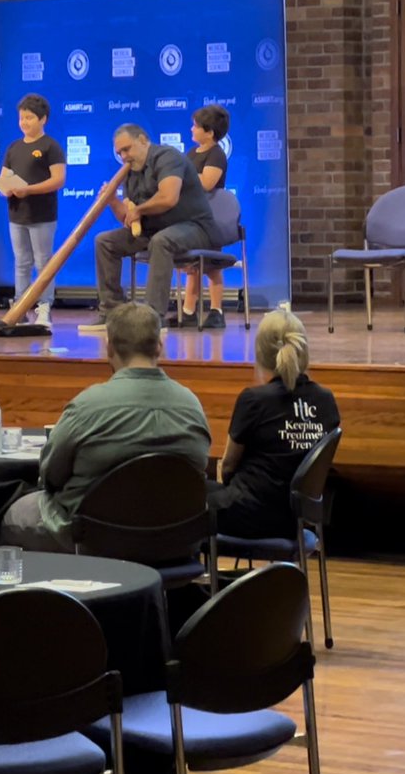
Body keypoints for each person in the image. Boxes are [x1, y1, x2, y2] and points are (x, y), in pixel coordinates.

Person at [1, 302, 211, 551]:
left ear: (109, 348)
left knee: (16, 514)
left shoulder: (87, 407)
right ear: (159, 346)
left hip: (93, 539)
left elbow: (51, 475)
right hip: (175, 538)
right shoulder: (193, 407)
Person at [208, 308, 340, 538]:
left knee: (185, 496)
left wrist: (226, 482)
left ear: (260, 353)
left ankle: (187, 572)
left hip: (250, 515)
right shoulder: (326, 400)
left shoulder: (254, 400)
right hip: (299, 519)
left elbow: (228, 466)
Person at [83, 124, 220, 331]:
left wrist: (139, 210)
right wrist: (112, 200)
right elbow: (129, 219)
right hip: (154, 229)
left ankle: (152, 317)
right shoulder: (131, 170)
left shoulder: (167, 157)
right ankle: (111, 312)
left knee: (161, 240)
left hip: (194, 226)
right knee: (105, 241)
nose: (124, 156)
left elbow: (168, 198)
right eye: (119, 152)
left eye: (127, 149)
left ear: (143, 141)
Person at [1, 93, 66, 330]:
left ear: (43, 119)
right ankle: (20, 306)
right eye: (21, 118)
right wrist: (6, 189)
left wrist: (29, 190)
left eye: (29, 118)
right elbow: (4, 176)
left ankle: (44, 307)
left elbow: (58, 180)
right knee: (21, 262)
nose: (24, 122)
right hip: (16, 214)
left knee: (43, 261)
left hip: (42, 215)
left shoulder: (51, 146)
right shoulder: (14, 147)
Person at [169, 103, 230, 330]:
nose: (191, 129)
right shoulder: (192, 153)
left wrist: (185, 175)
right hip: (191, 215)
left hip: (211, 217)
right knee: (192, 266)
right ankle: (188, 311)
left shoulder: (217, 154)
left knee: (212, 265)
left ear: (210, 132)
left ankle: (216, 311)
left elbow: (207, 182)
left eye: (196, 126)